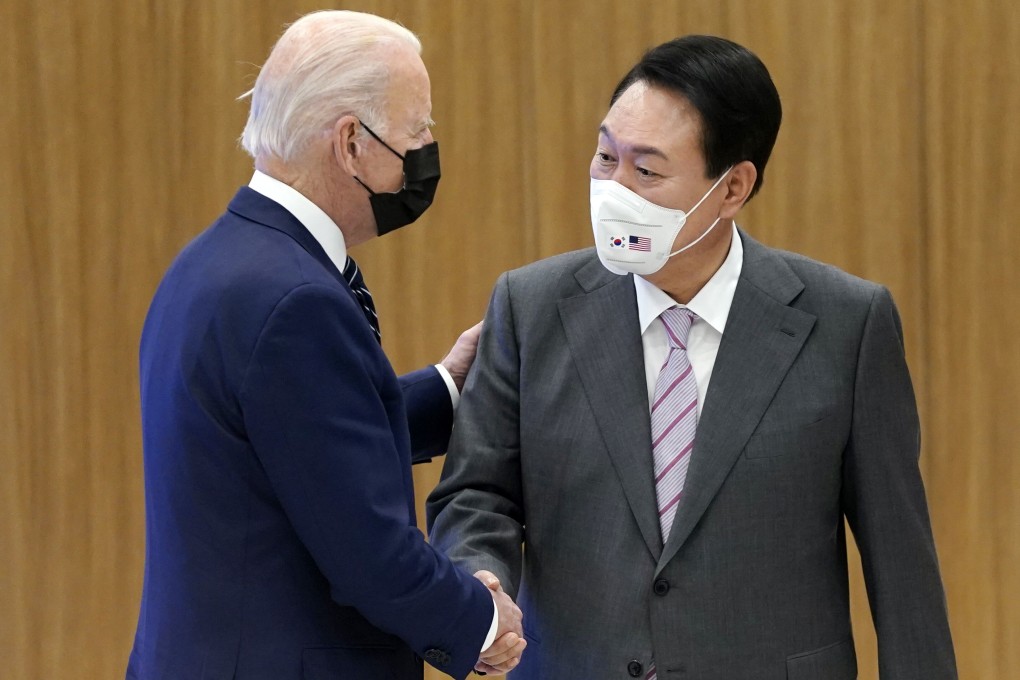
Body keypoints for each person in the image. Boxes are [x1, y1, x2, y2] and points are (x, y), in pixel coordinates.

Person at [428, 35, 957, 679]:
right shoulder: (530, 306)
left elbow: (900, 562)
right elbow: (477, 491)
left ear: (732, 187)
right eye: (605, 157)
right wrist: (479, 581)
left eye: (646, 170)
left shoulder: (847, 322)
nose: (613, 189)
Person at [127, 11, 525, 680]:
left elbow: (299, 438)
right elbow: (367, 551)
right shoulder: (295, 299)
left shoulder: (219, 260)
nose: (429, 146)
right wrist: (481, 623)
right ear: (350, 143)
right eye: (418, 129)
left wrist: (453, 386)